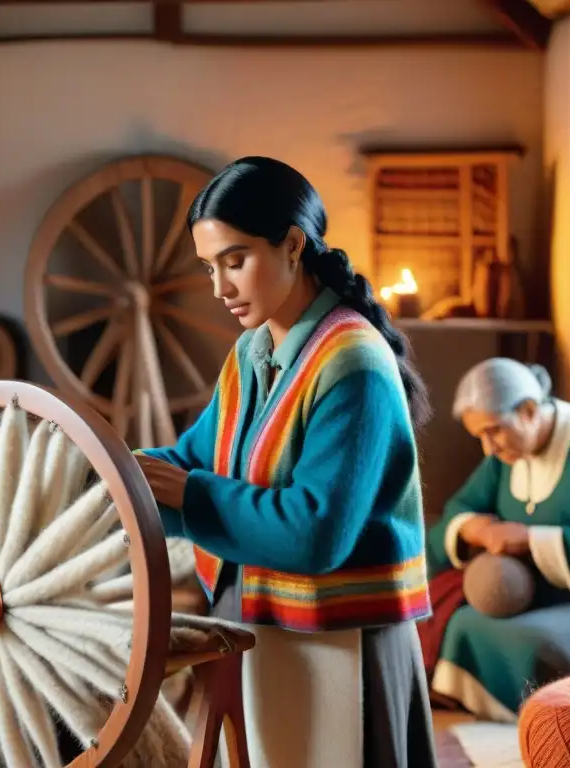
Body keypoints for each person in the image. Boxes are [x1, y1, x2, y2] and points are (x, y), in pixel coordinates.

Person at [134, 156, 439, 768]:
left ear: (293, 245)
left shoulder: (353, 363)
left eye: (235, 260)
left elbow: (316, 531)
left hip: (341, 645)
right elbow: (195, 456)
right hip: (266, 629)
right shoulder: (253, 352)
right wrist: (112, 475)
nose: (219, 287)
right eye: (208, 267)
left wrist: (188, 496)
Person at [421, 357, 570, 721]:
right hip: (544, 589)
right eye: (480, 437)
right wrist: (475, 528)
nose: (489, 448)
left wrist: (527, 538)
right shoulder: (505, 453)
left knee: (538, 643)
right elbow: (461, 507)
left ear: (529, 410)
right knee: (462, 621)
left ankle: (552, 725)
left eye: (494, 431)